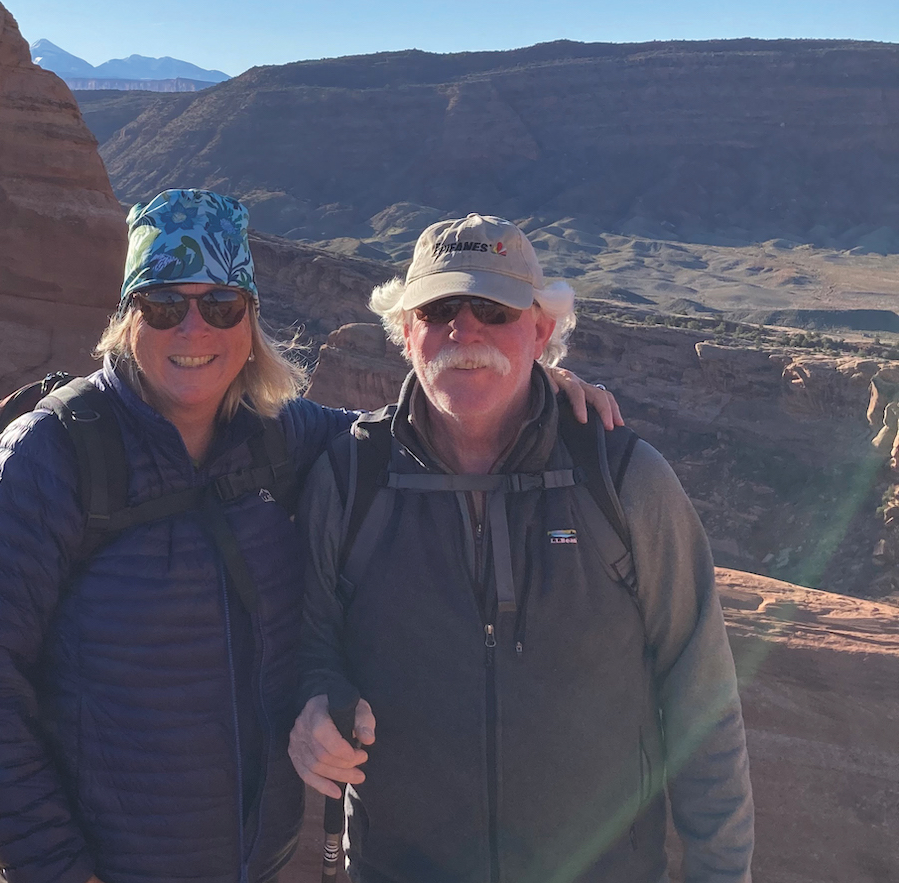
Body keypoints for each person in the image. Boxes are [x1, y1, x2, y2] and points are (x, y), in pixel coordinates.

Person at [0, 193, 620, 883]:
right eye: (165, 305)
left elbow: (402, 437)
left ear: (250, 318)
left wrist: (525, 379)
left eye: (222, 305)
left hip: (253, 863)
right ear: (127, 316)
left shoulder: (275, 434)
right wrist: (56, 867)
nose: (194, 329)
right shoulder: (52, 454)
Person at [289, 214, 754, 883]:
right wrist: (314, 700)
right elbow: (309, 644)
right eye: (441, 306)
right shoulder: (351, 479)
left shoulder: (621, 481)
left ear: (541, 331)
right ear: (405, 329)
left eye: (493, 308)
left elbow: (702, 701)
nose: (465, 327)